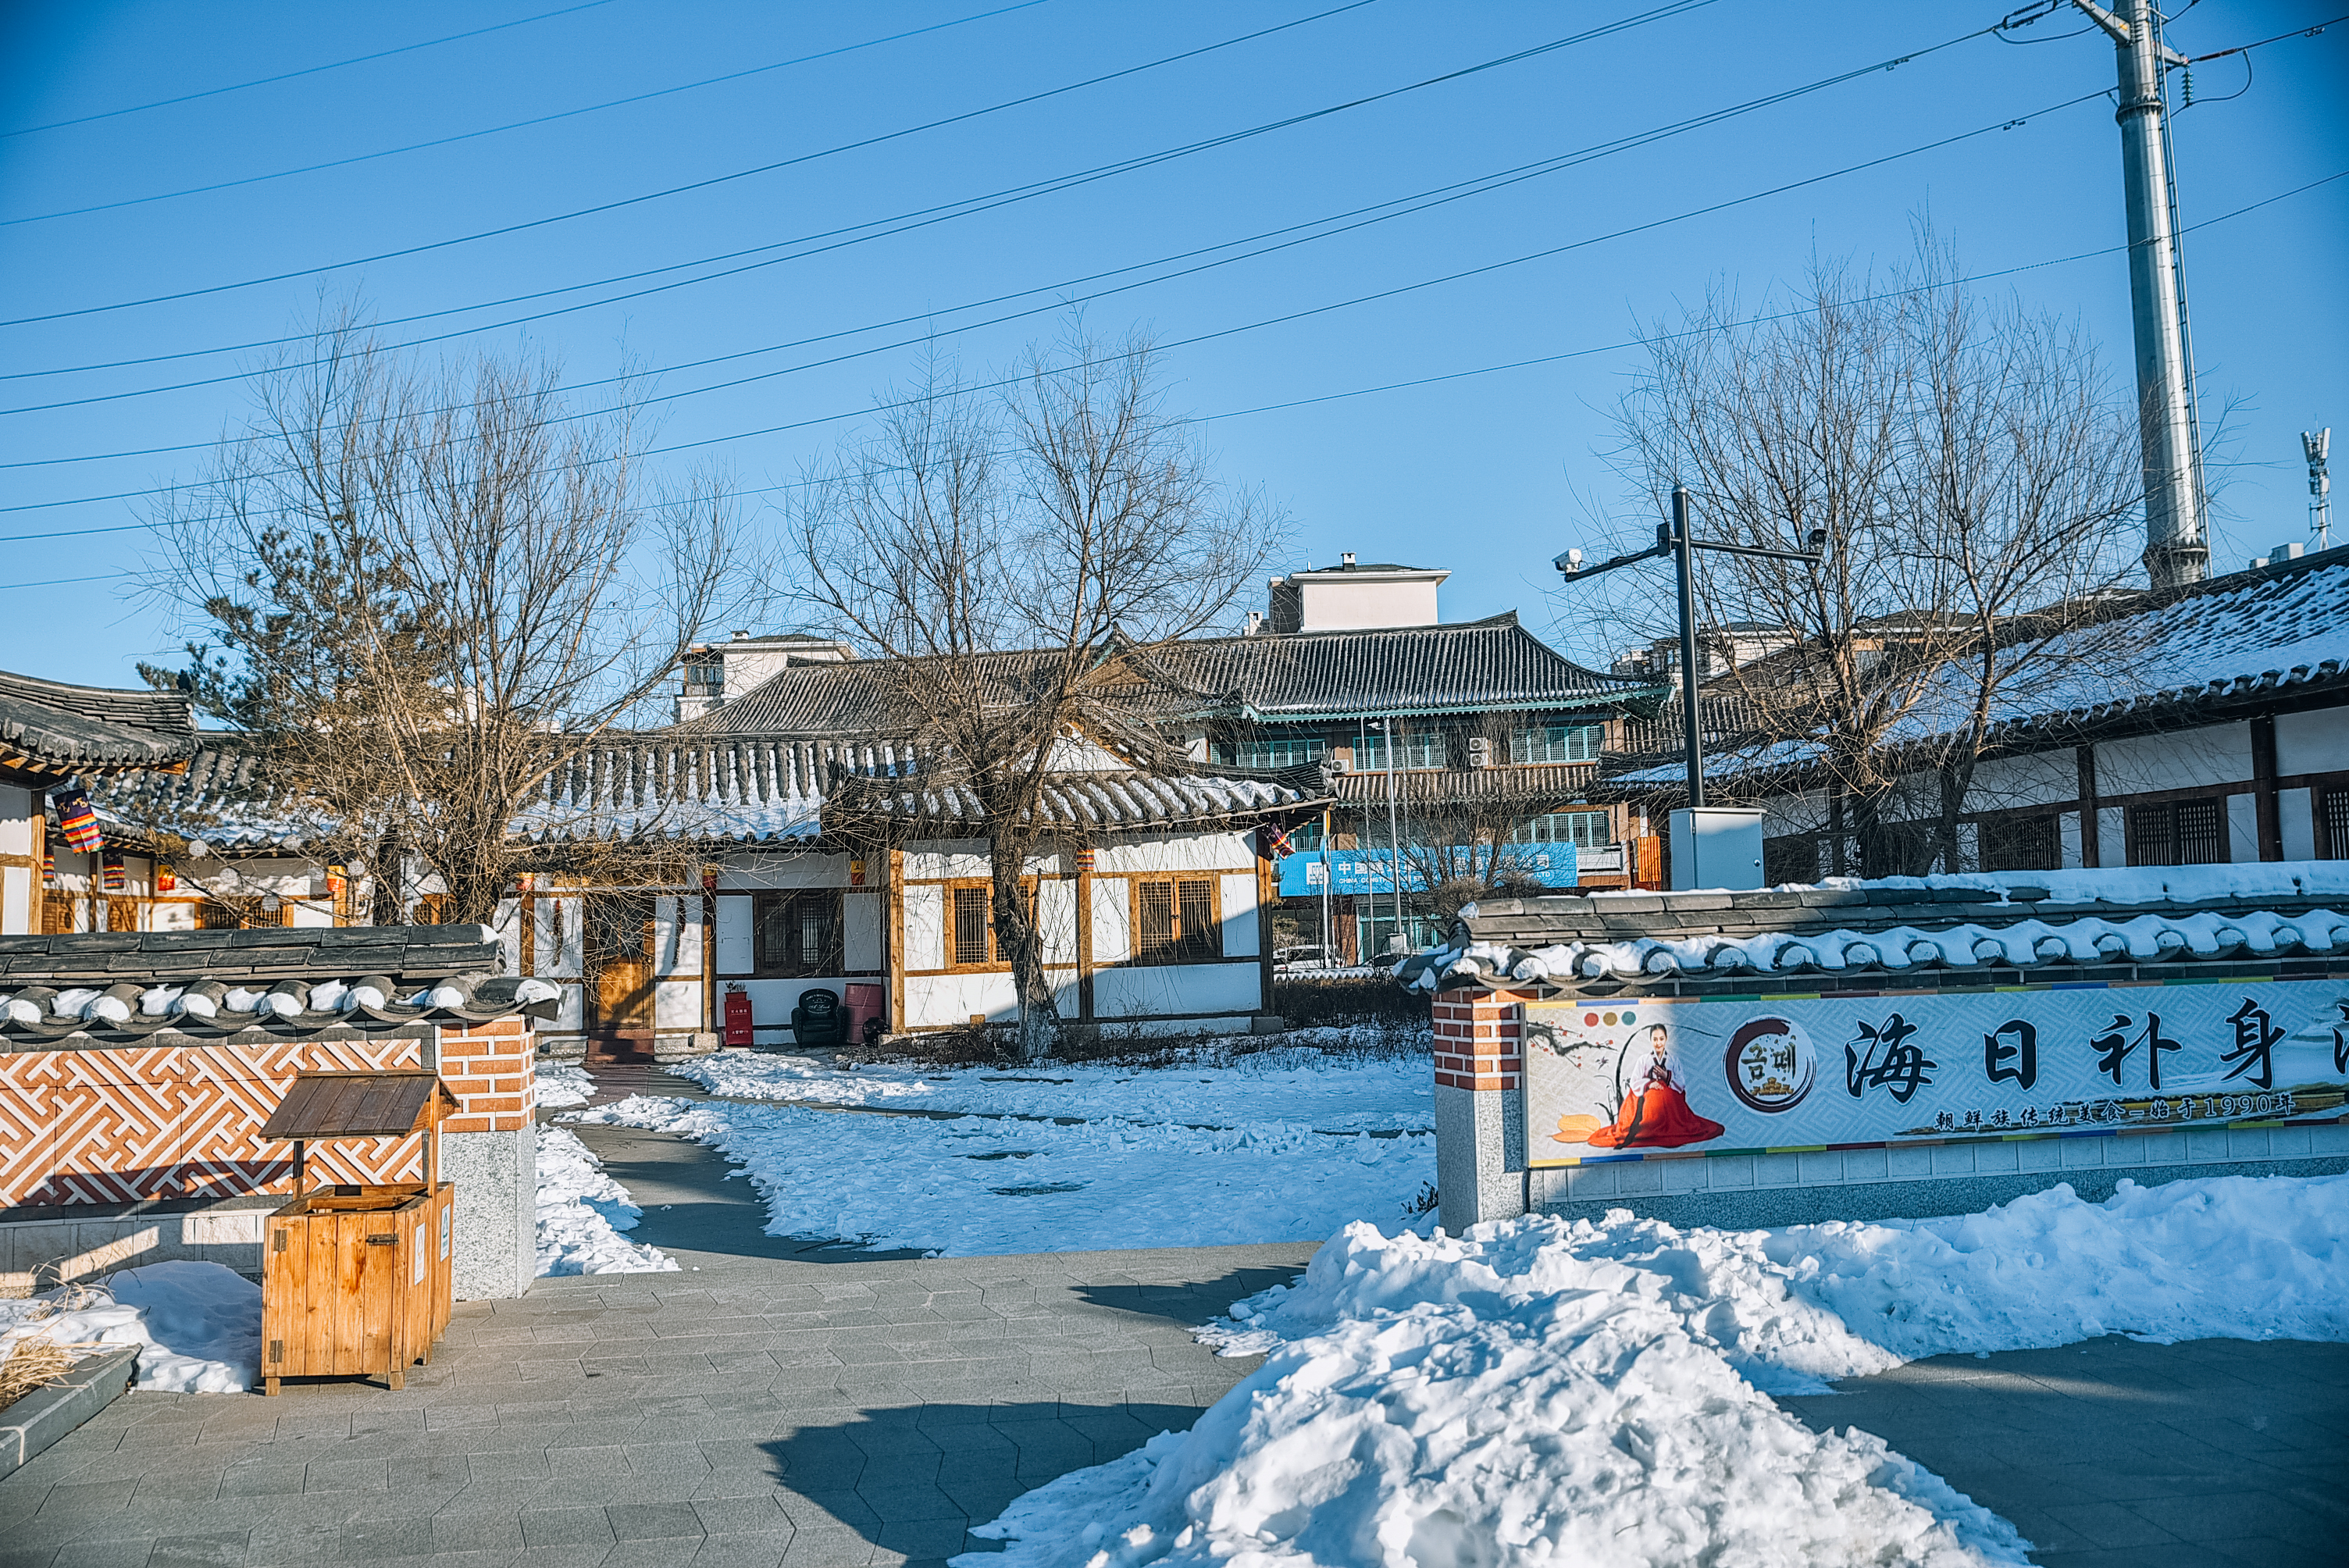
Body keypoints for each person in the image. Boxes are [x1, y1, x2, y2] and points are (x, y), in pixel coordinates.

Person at [1585, 1024, 1725, 1149]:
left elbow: (1681, 1083)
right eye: (1655, 1039)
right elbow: (1635, 1082)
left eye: (1661, 1039)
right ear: (1651, 1040)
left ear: (1666, 1039)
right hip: (1647, 1095)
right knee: (1651, 1099)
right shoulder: (1643, 1060)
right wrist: (1650, 1083)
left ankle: (1670, 1130)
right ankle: (1645, 1129)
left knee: (1670, 1098)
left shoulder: (1673, 1060)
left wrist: (1666, 1077)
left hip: (1669, 1096)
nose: (1658, 1043)